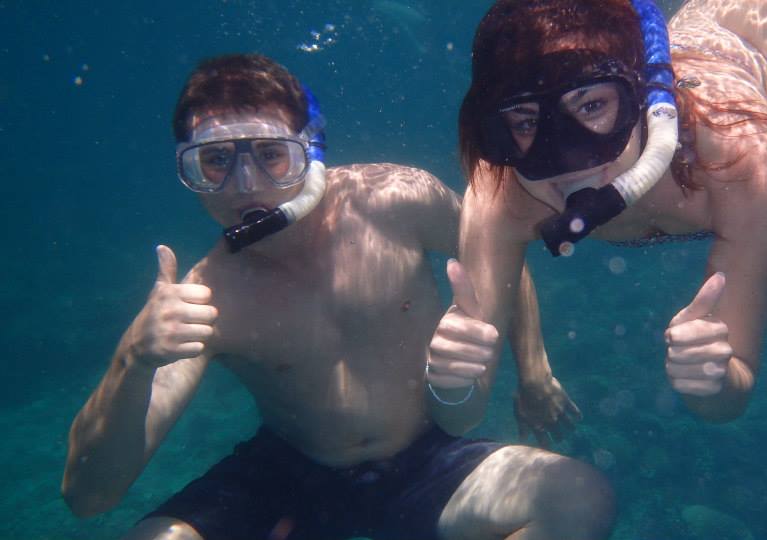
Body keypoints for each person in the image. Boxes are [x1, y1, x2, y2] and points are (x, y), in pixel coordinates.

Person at [61, 54, 613, 540]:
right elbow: (90, 497)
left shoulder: (398, 200)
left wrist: (534, 372)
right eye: (216, 161)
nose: (245, 185)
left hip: (428, 457)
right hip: (289, 474)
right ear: (190, 170)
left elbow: (497, 256)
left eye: (270, 155)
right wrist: (133, 358)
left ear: (310, 149)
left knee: (576, 498)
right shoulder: (204, 299)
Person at [436, 0, 767, 423]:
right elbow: (730, 397)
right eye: (524, 121)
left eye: (592, 106)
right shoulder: (503, 195)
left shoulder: (736, 158)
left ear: (641, 99)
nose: (565, 160)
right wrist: (451, 381)